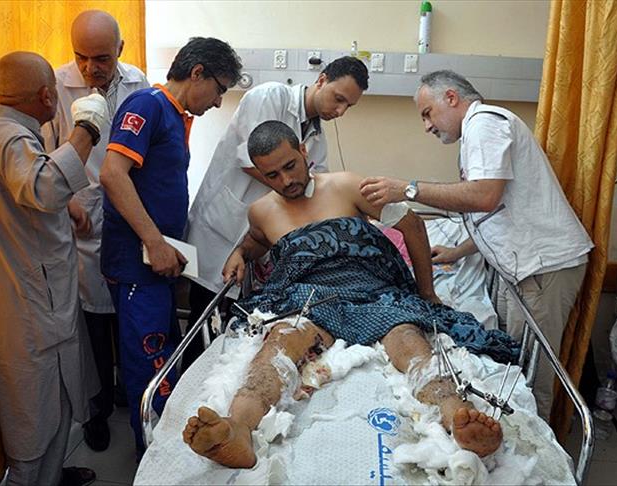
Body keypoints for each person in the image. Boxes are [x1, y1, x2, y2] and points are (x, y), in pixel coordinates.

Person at [181, 121, 520, 468]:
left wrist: (427, 292)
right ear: (259, 173)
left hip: (374, 291)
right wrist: (239, 253)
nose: (285, 180)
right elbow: (255, 242)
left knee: (408, 341)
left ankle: (458, 416)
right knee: (279, 344)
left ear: (303, 151)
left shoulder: (347, 186)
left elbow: (413, 225)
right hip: (309, 298)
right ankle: (237, 428)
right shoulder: (261, 212)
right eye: (272, 175)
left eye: (290, 166)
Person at [359, 69, 594, 419]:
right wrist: (457, 252)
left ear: (451, 98)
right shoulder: (477, 132)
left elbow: (484, 196)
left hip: (543, 266)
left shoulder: (485, 123)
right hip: (525, 267)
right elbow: (496, 215)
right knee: (517, 364)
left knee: (532, 375)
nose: (427, 126)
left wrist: (407, 189)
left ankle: (537, 442)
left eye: (428, 113)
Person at [0, 51, 108, 485]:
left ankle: (53, 477)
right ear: (47, 96)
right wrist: (88, 128)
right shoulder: (10, 138)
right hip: (29, 311)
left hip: (19, 300)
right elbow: (45, 187)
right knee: (33, 426)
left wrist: (65, 208)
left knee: (52, 410)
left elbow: (21, 199)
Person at [99, 37, 242, 456]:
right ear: (197, 73)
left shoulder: (174, 116)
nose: (218, 102)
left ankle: (166, 452)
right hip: (137, 264)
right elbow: (112, 174)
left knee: (162, 357)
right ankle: (152, 460)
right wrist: (154, 242)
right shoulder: (147, 105)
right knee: (150, 366)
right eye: (219, 89)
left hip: (156, 265)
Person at [181, 56, 369, 369]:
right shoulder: (270, 97)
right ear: (321, 80)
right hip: (223, 228)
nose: (340, 111)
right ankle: (186, 386)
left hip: (257, 239)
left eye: (348, 106)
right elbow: (254, 161)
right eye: (338, 99)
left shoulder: (316, 139)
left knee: (236, 328)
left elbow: (317, 187)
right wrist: (295, 189)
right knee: (204, 318)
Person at [42, 9, 150, 452]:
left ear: (120, 50)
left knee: (125, 310)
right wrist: (67, 200)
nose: (90, 68)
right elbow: (45, 155)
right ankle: (97, 410)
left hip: (124, 212)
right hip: (80, 215)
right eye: (81, 57)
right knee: (91, 324)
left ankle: (125, 391)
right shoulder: (55, 84)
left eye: (102, 58)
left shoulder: (138, 83)